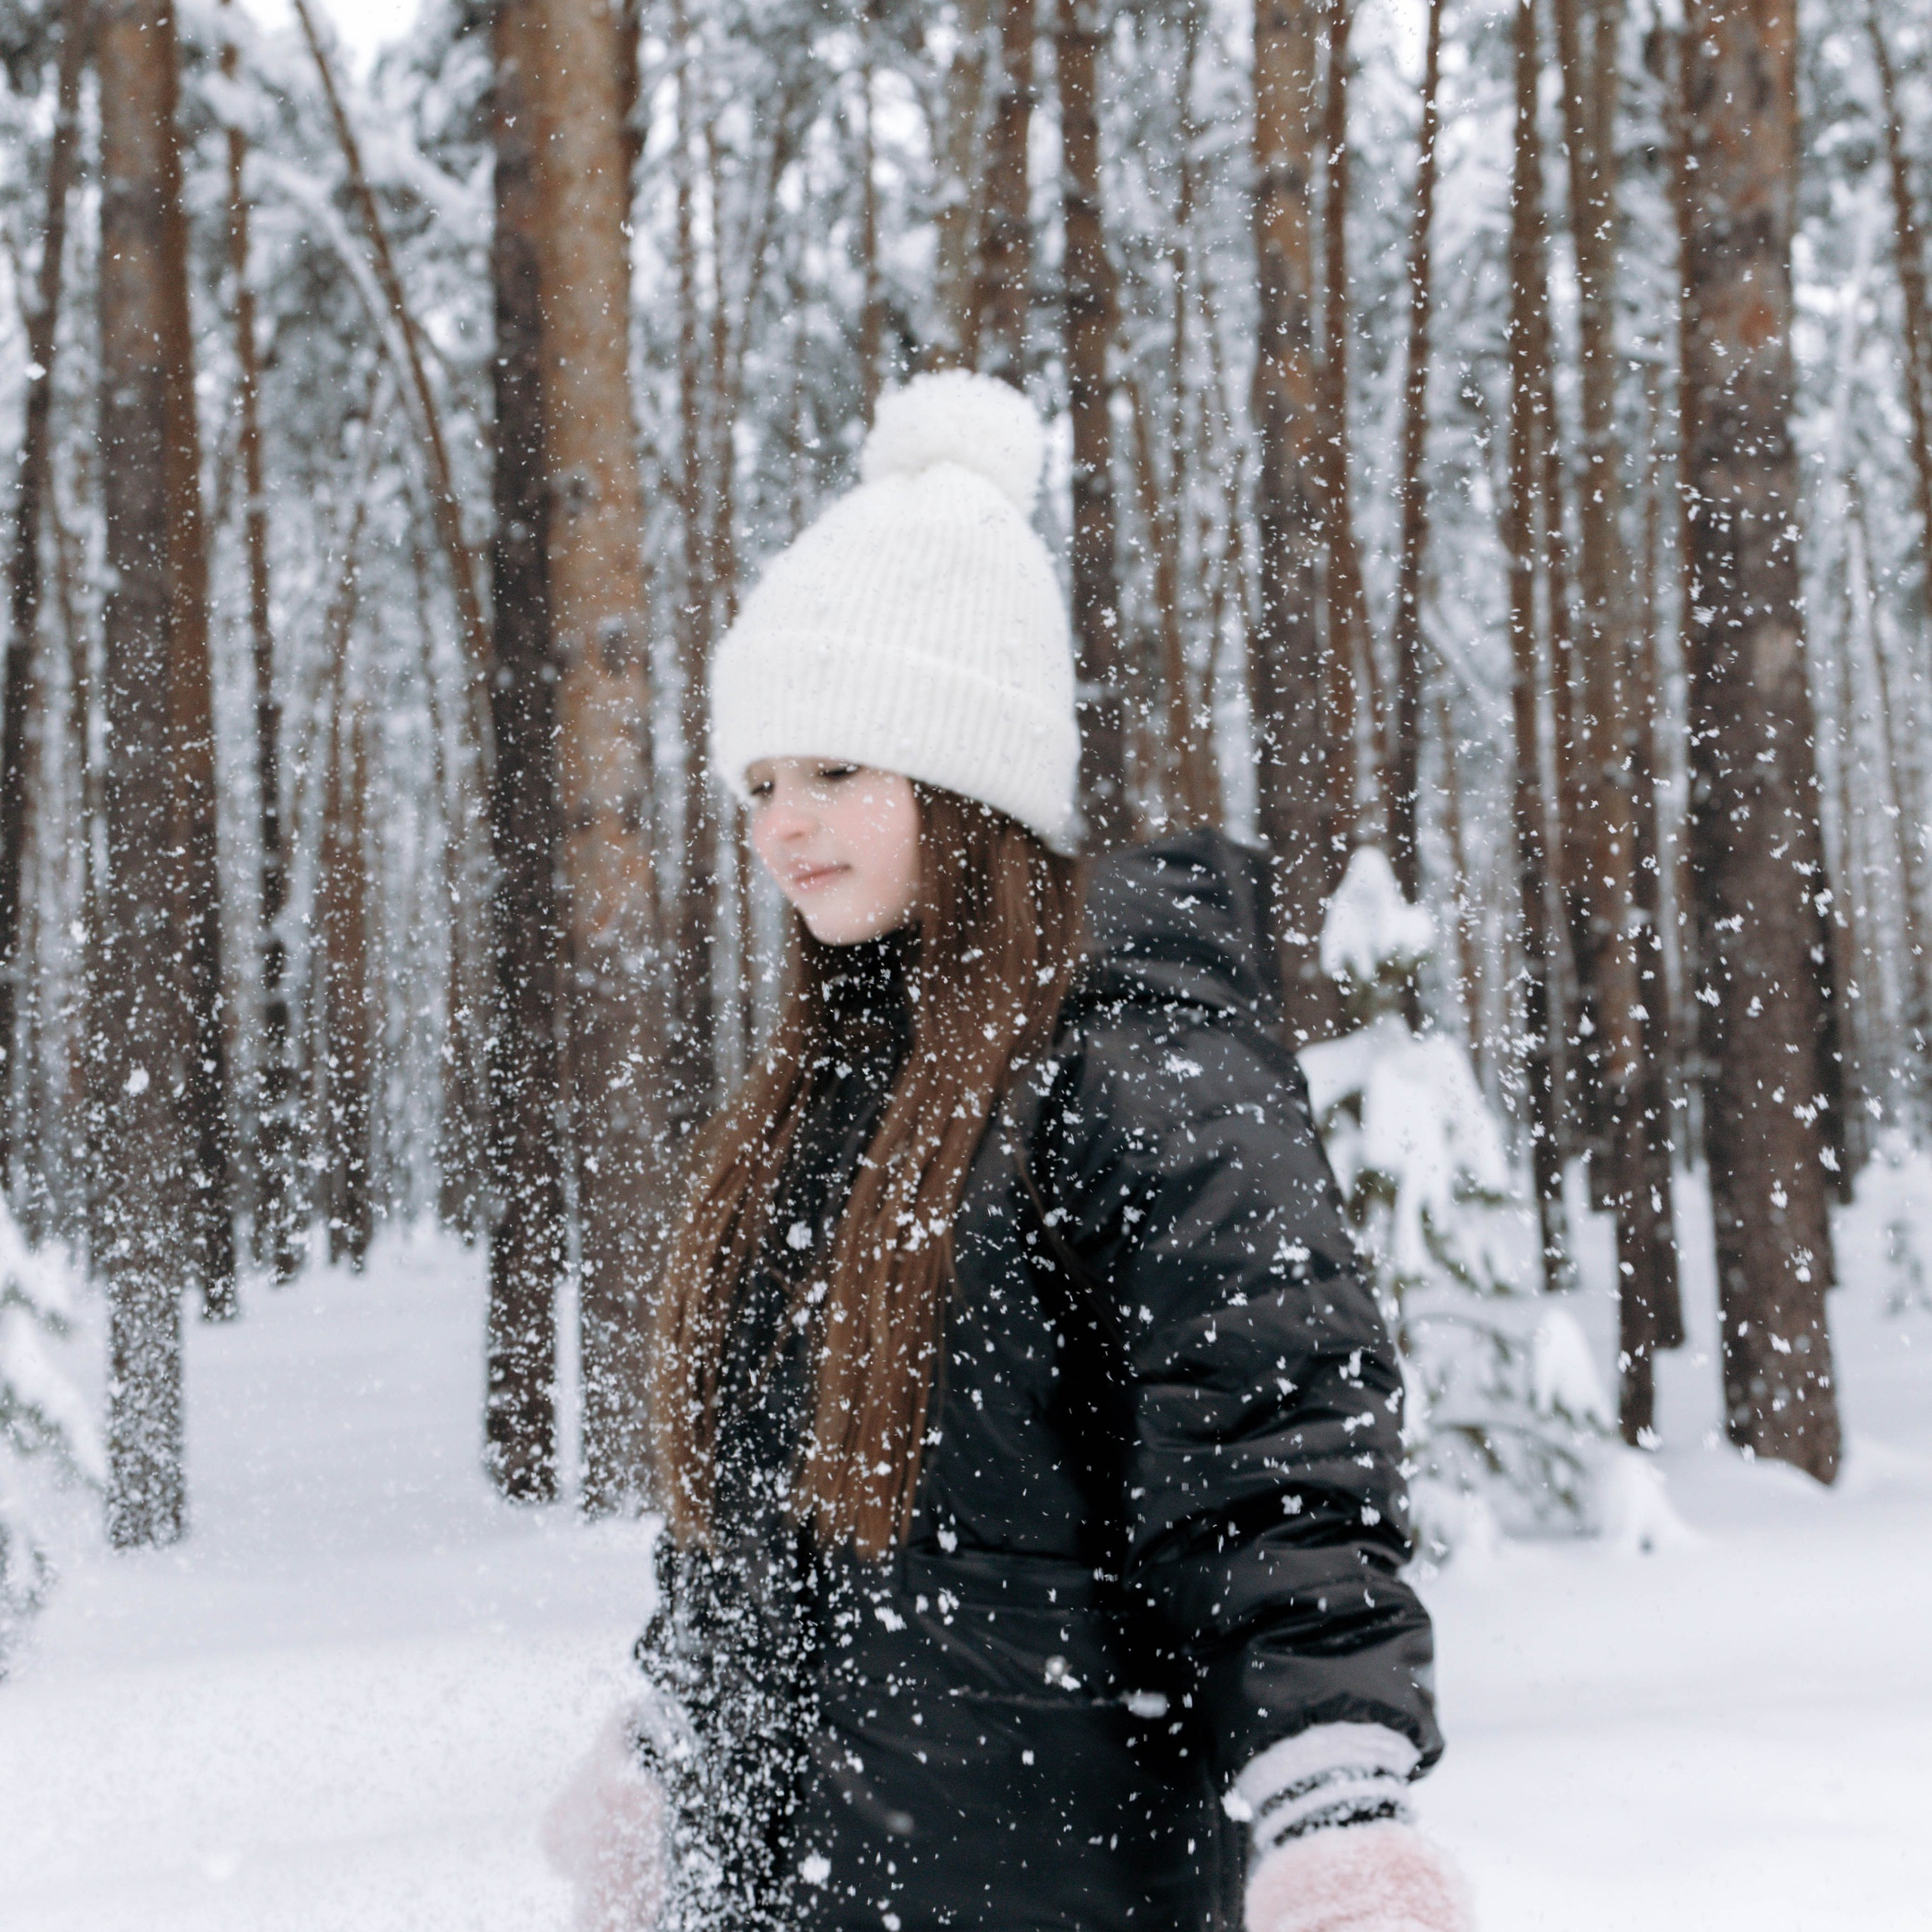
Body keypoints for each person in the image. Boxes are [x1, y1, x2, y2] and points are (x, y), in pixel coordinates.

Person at [545, 372, 1466, 1932]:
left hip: (1057, 1879)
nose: (781, 822)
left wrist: (1329, 1793)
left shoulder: (1137, 1061)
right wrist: (675, 1731)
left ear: (962, 782)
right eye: (761, 780)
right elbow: (767, 1516)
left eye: (835, 767)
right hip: (797, 1891)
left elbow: (1272, 1452)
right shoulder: (821, 1106)